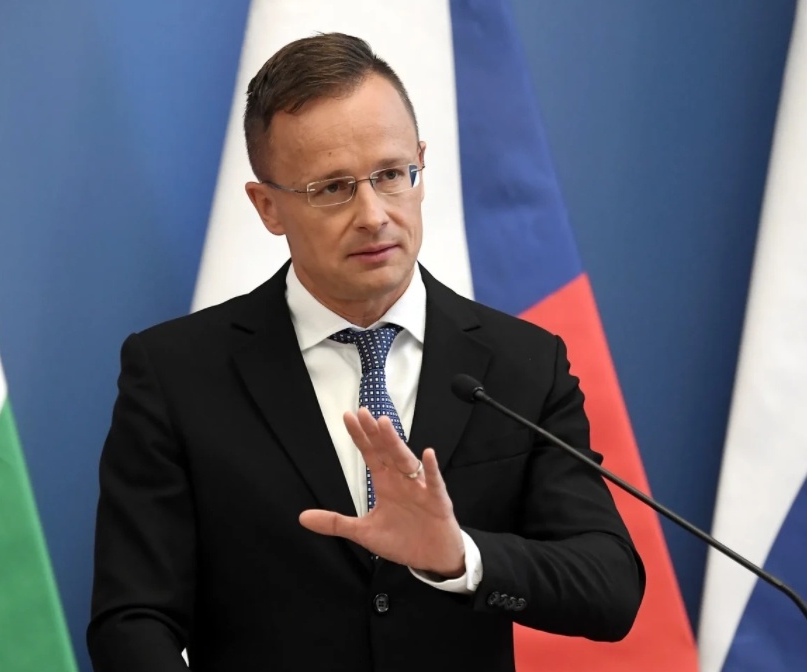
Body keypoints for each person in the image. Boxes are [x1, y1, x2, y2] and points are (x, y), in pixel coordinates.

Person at [87, 33, 644, 672]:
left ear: (421, 167)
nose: (374, 214)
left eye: (390, 174)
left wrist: (460, 556)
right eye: (332, 188)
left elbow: (609, 586)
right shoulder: (177, 373)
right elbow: (133, 619)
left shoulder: (522, 364)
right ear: (268, 207)